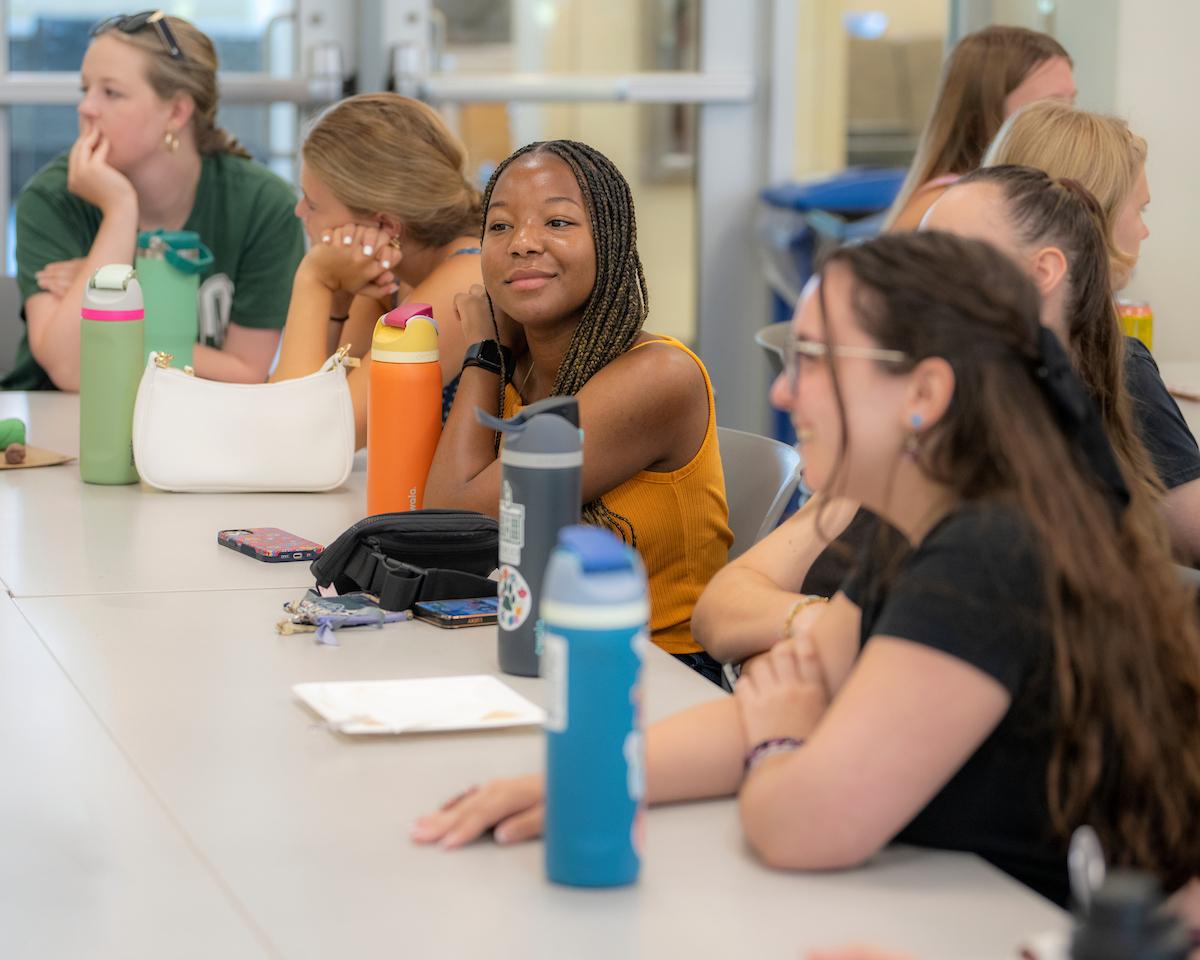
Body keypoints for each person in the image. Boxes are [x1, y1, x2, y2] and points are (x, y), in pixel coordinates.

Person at [412, 232, 1200, 908]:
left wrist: (780, 747)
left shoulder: (992, 553)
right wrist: (588, 777)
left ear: (925, 391)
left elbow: (803, 821)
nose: (785, 389)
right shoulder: (918, 526)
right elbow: (770, 706)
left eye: (816, 360)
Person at [693, 164, 1164, 665]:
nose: (914, 278)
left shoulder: (1010, 520)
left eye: (945, 253)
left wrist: (798, 653)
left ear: (1042, 272)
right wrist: (815, 627)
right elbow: (721, 607)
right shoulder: (909, 442)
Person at [422, 139, 731, 681]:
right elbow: (442, 522)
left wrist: (484, 349)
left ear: (611, 242)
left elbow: (455, 527)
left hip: (658, 670)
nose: (522, 243)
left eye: (558, 223)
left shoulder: (657, 378)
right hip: (535, 644)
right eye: (499, 226)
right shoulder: (524, 371)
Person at [2, 12, 304, 391]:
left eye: (110, 93)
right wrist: (120, 210)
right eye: (85, 89)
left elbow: (246, 373)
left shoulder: (264, 207)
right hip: (60, 428)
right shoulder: (51, 200)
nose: (86, 108)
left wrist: (114, 318)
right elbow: (72, 369)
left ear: (176, 112)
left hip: (196, 425)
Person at [983, 101, 1200, 563]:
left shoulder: (969, 352)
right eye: (1139, 210)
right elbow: (1193, 537)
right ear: (1094, 216)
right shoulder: (1110, 363)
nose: (1143, 232)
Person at [270, 93, 484, 443]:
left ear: (385, 225)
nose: (299, 212)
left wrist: (313, 279)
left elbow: (314, 439)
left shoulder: (464, 284)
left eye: (312, 203)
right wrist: (337, 300)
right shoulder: (394, 280)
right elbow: (291, 418)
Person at [884, 25, 1074, 232]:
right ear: (983, 111)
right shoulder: (948, 209)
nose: (1070, 120)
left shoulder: (1015, 197)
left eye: (1071, 102)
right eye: (1051, 106)